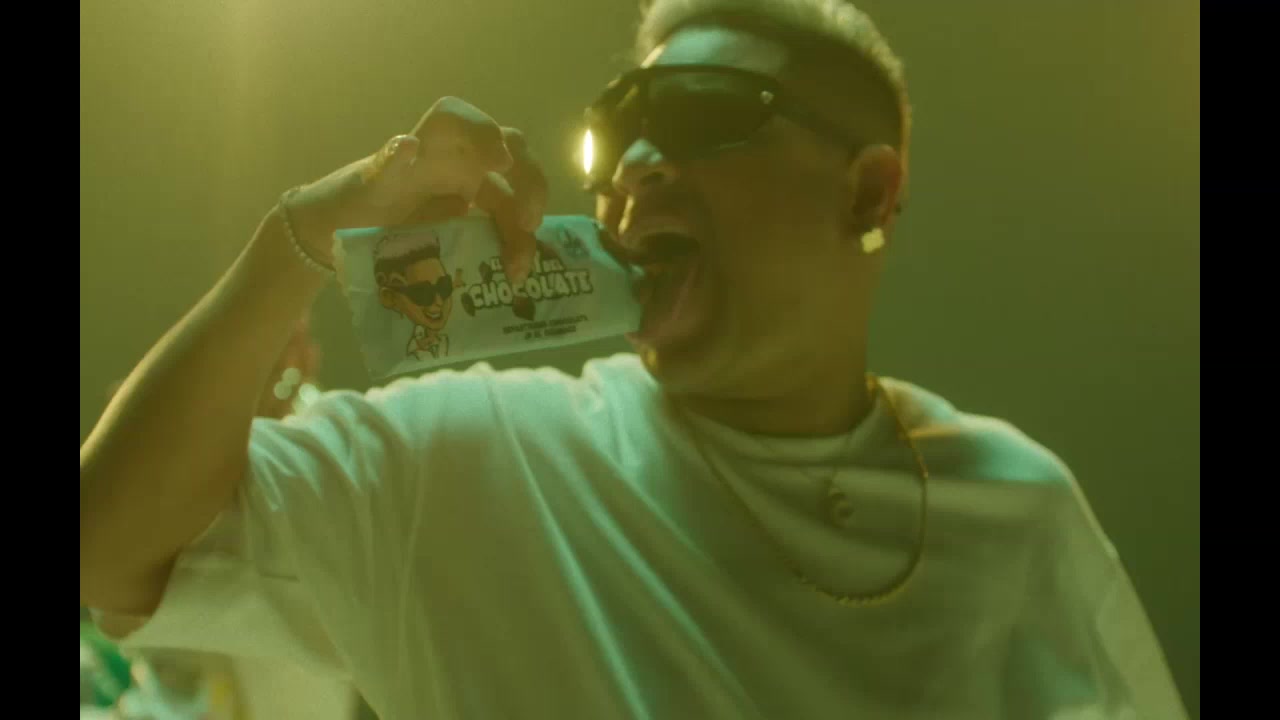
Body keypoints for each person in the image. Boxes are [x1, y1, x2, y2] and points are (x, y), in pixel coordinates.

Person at [79, 0, 1189, 717]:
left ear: (866, 192)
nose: (634, 167)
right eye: (616, 134)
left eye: (706, 114)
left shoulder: (1014, 509)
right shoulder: (476, 455)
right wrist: (304, 237)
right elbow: (107, 549)